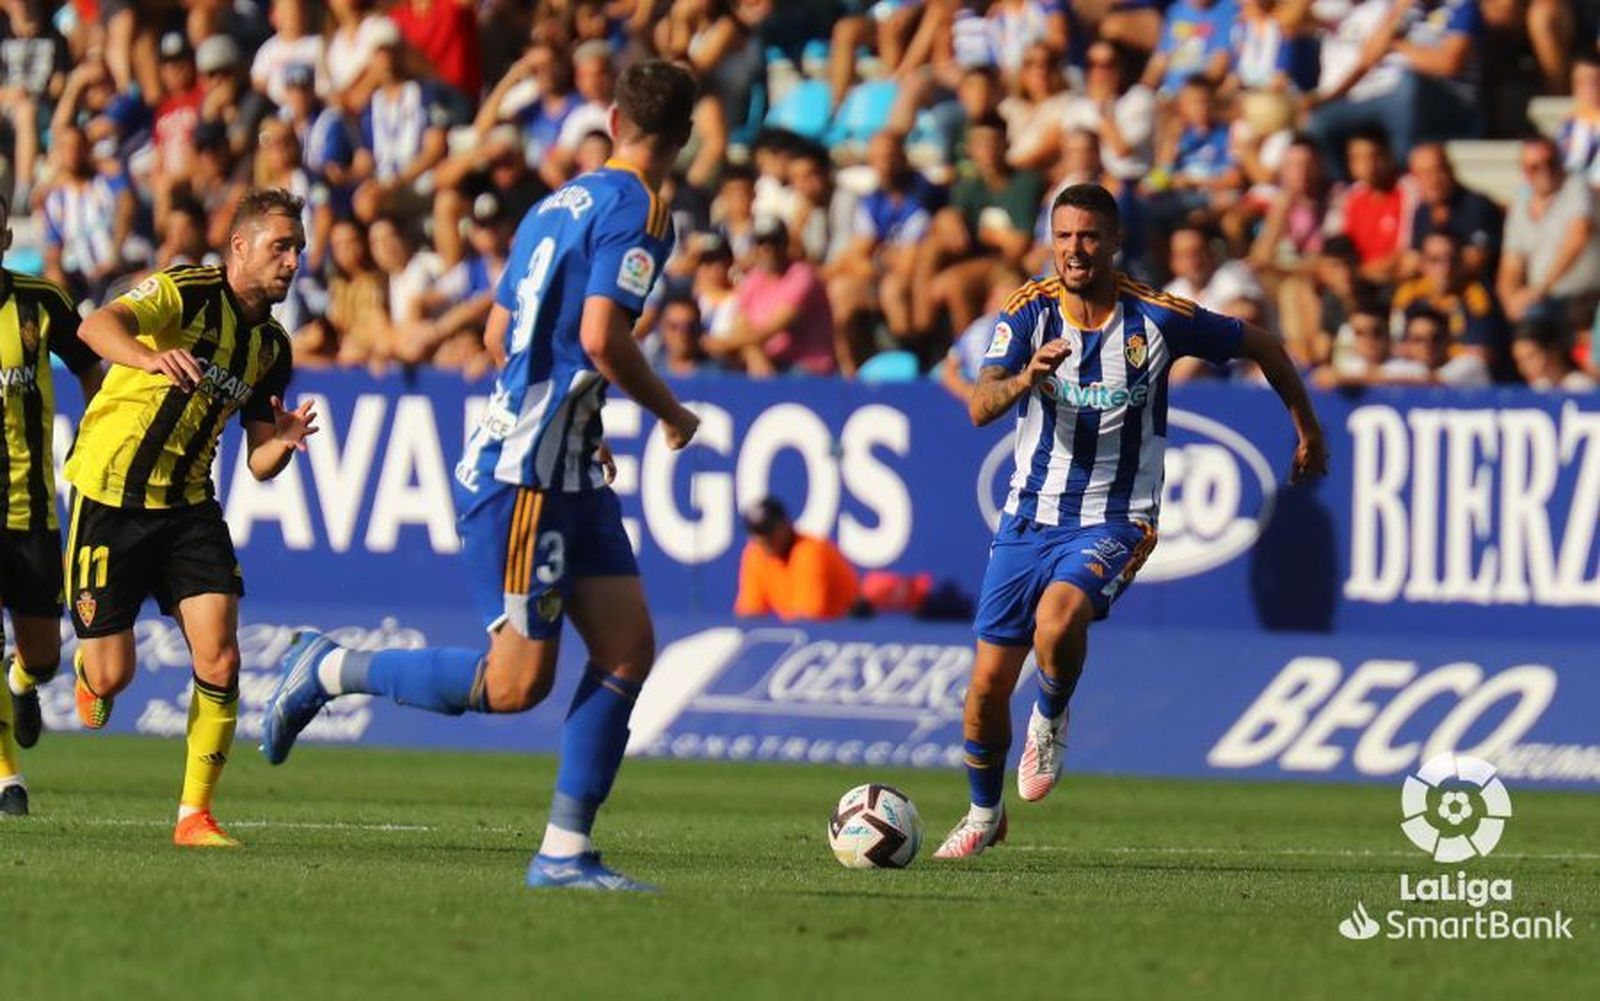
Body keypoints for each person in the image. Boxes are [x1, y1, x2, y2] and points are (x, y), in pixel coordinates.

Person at [260, 59, 703, 893]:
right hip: (528, 472)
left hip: (561, 460)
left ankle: (565, 852)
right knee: (515, 684)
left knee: (628, 647)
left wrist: (579, 416)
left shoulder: (553, 205)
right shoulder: (643, 210)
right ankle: (329, 669)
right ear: (684, 135)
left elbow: (502, 333)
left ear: (612, 120)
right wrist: (671, 414)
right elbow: (604, 338)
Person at [933, 183, 1325, 858]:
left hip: (1117, 515)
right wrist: (1027, 376)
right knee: (984, 691)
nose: (1074, 249)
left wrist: (1307, 429)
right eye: (1063, 236)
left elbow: (1261, 342)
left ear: (1114, 242)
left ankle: (1052, 716)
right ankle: (984, 813)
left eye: (1088, 236)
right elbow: (979, 405)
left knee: (1058, 620)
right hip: (1027, 517)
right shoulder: (1028, 311)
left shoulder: (1157, 317)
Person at [62, 188, 318, 846]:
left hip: (188, 506)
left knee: (222, 655)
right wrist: (149, 356)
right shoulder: (186, 291)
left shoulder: (271, 347)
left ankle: (193, 815)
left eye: (298, 249)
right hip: (111, 494)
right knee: (114, 674)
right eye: (279, 247)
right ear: (240, 247)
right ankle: (93, 673)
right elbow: (94, 327)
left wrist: (281, 443)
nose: (292, 261)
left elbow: (258, 460)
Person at [0, 196, 105, 816]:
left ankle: (21, 681)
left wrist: (95, 437)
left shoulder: (41, 301)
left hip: (31, 510)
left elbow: (93, 370)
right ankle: (7, 776)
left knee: (43, 655)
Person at [733, 497, 860, 621]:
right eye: (756, 533)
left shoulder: (809, 551)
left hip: (846, 632)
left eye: (769, 531)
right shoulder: (756, 555)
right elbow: (750, 615)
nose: (764, 540)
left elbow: (806, 619)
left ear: (785, 525)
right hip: (815, 634)